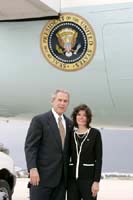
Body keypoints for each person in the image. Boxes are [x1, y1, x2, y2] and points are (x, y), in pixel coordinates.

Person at [24, 89, 73, 200]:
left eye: (65, 101)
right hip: (41, 178)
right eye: (59, 100)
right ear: (52, 101)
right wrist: (32, 168)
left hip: (61, 181)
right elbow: (30, 146)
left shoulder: (70, 124)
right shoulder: (39, 120)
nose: (62, 103)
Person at [67, 104, 102, 200]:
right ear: (75, 116)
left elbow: (99, 159)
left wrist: (96, 182)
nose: (81, 117)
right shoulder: (71, 134)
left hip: (88, 180)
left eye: (84, 115)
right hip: (72, 181)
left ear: (88, 118)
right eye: (79, 114)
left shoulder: (95, 134)